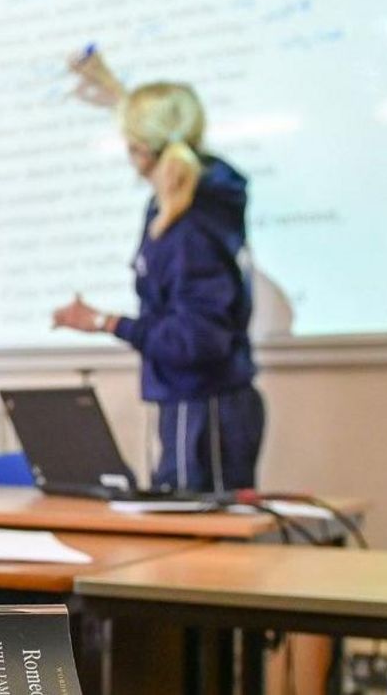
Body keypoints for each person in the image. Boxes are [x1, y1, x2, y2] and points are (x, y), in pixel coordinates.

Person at [53, 48, 264, 493]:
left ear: (139, 148)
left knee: (200, 547)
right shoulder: (194, 204)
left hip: (203, 408)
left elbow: (195, 340)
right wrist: (114, 92)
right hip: (194, 403)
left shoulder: (188, 228)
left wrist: (105, 322)